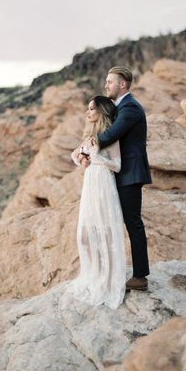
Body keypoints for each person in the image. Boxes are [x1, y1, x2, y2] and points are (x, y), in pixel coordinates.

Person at [78, 66, 151, 292]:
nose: (106, 85)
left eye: (110, 82)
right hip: (118, 173)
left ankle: (140, 277)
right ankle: (108, 272)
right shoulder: (120, 107)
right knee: (111, 223)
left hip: (129, 174)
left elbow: (110, 134)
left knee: (133, 223)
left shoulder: (130, 108)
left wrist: (86, 148)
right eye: (106, 81)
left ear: (122, 84)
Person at [68, 95, 126, 309]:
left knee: (105, 233)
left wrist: (96, 157)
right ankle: (94, 277)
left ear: (101, 111)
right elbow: (75, 155)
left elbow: (117, 165)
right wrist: (83, 157)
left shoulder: (110, 137)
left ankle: (108, 282)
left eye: (91, 108)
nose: (87, 112)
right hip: (90, 185)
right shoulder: (91, 136)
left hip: (103, 184)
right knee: (85, 237)